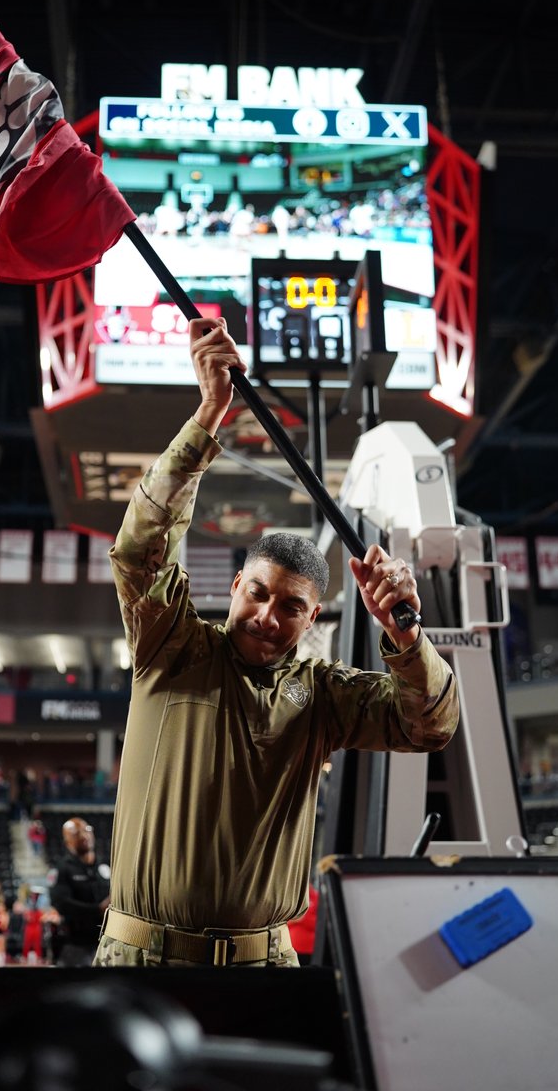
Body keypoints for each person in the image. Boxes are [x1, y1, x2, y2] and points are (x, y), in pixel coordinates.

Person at [94, 317, 459, 968]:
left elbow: (429, 726)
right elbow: (139, 549)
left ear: (313, 616)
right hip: (142, 961)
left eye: (290, 607)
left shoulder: (323, 696)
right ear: (236, 586)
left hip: (265, 968)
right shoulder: (170, 646)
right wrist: (209, 415)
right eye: (257, 593)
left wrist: (404, 632)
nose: (267, 615)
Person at [49, 817, 110, 966]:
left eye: (87, 830)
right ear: (67, 842)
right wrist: (98, 909)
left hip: (107, 942)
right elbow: (62, 904)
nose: (84, 835)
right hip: (76, 945)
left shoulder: (106, 863)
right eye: (76, 833)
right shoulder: (62, 869)